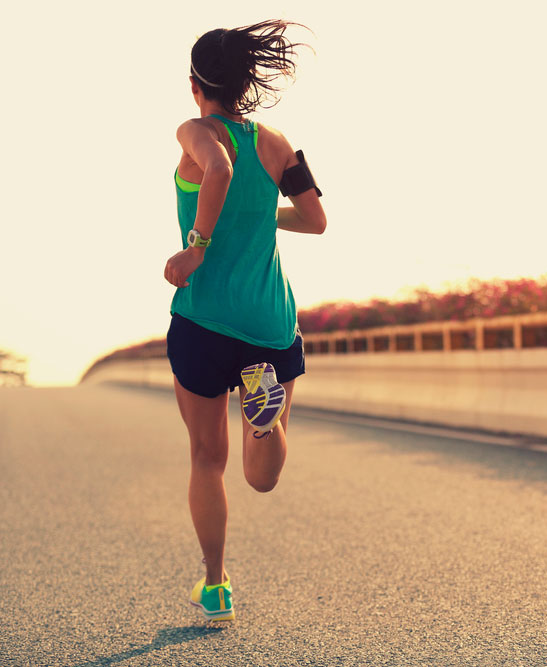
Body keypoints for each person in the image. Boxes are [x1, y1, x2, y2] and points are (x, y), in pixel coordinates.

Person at [163, 20, 326, 622]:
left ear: (195, 83)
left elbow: (220, 169)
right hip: (268, 323)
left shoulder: (195, 130)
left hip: (205, 318)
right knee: (262, 477)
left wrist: (199, 244)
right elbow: (315, 220)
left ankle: (215, 584)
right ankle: (266, 422)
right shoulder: (278, 141)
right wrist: (262, 219)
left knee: (207, 457)